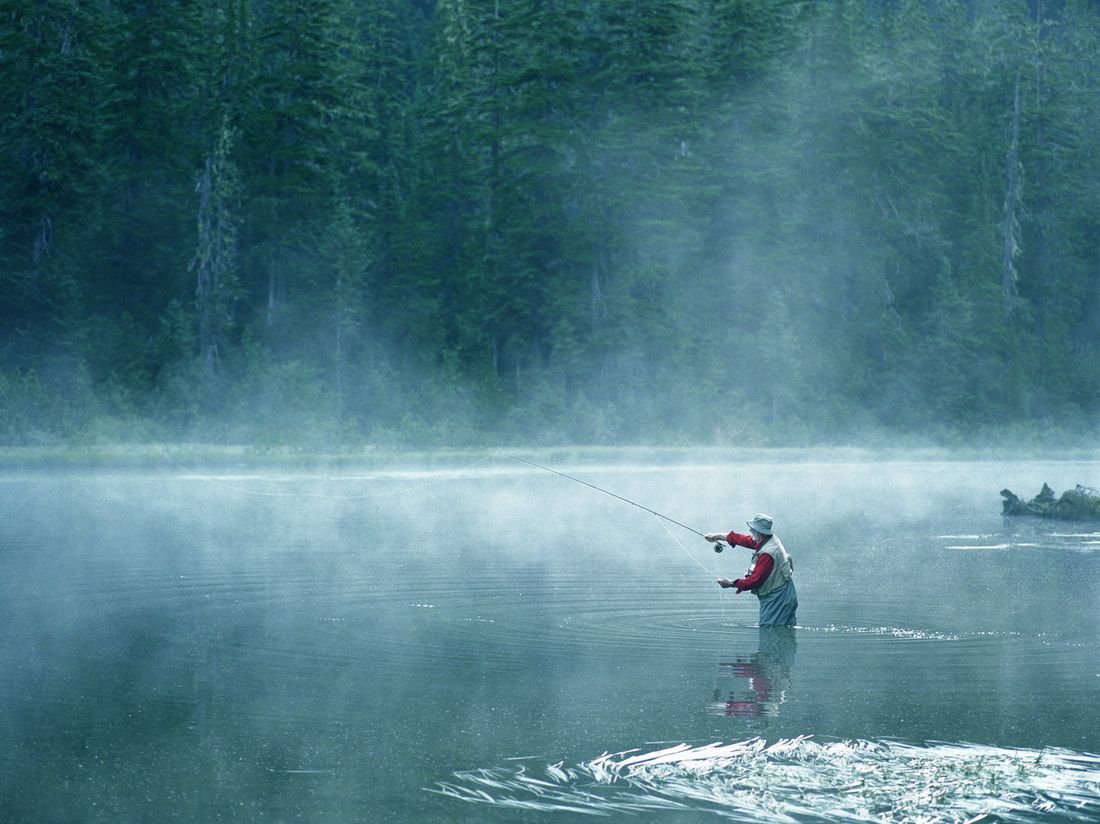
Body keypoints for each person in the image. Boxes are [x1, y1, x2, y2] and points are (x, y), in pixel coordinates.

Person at [705, 514, 797, 627]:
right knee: (783, 632)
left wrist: (730, 583)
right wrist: (717, 536)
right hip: (784, 593)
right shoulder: (768, 539)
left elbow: (755, 581)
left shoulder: (767, 554)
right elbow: (744, 540)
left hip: (777, 598)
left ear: (759, 532)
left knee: (769, 630)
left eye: (753, 529)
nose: (750, 530)